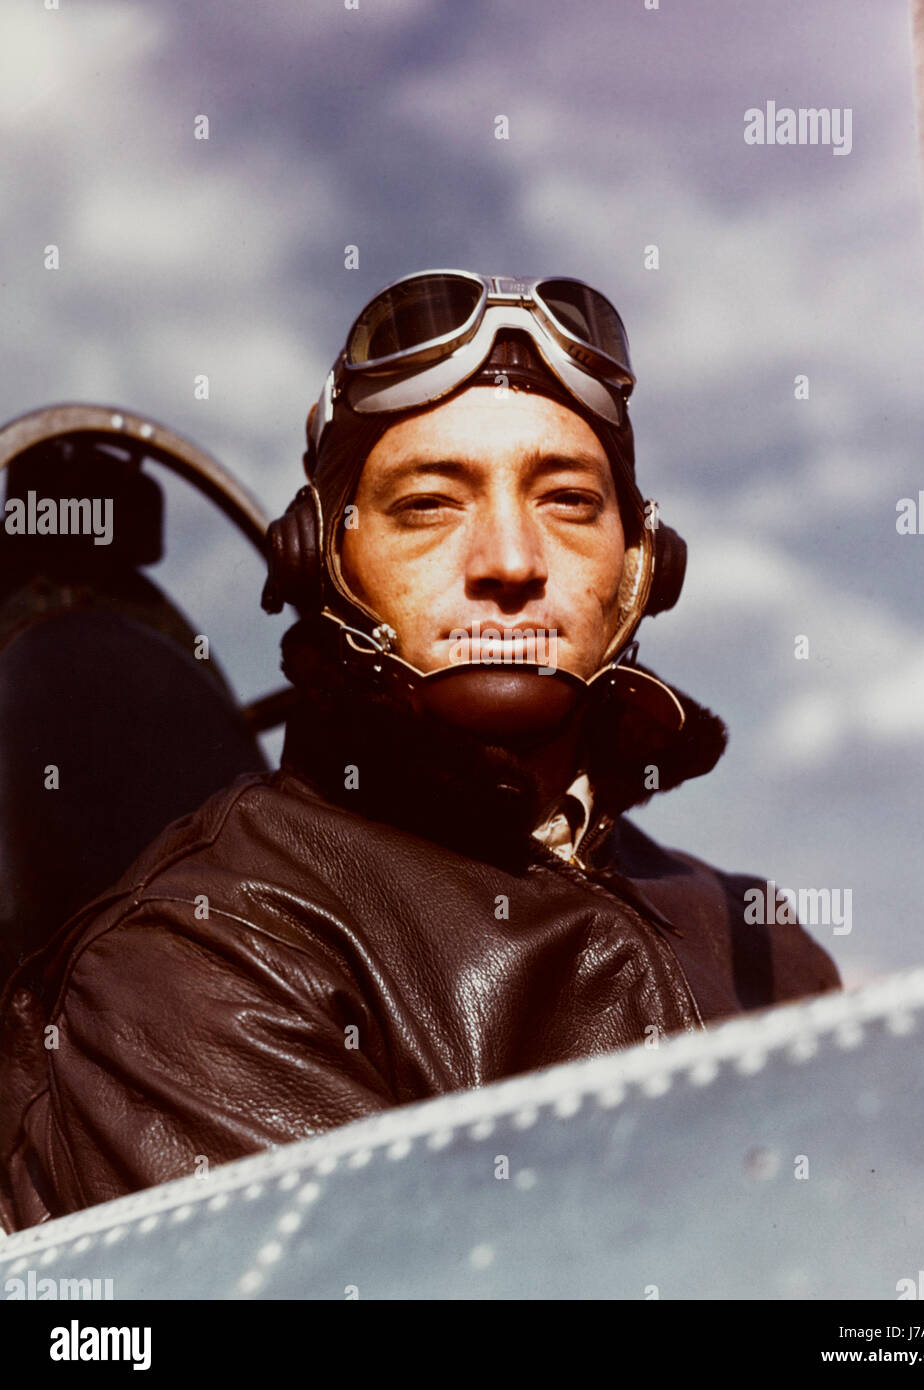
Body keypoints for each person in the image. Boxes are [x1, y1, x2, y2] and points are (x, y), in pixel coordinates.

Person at [0, 271, 840, 1232]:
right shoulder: (205, 956)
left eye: (567, 500)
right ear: (324, 560)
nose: (511, 563)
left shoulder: (759, 937)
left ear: (644, 565)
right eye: (430, 505)